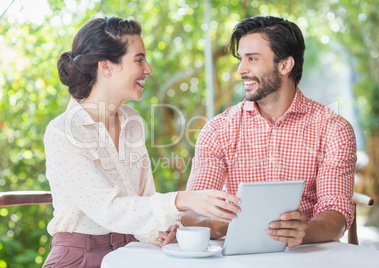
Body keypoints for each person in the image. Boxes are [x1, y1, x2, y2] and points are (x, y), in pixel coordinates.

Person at [43, 17, 240, 267]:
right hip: (79, 257)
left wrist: (162, 230)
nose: (148, 69)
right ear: (106, 67)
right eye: (139, 59)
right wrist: (183, 199)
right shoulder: (62, 132)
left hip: (131, 252)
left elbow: (143, 197)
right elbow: (108, 209)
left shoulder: (131, 120)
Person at [183, 16, 357, 248]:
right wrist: (225, 223)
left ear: (285, 65)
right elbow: (190, 213)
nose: (241, 70)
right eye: (241, 60)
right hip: (238, 258)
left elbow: (337, 213)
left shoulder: (334, 129)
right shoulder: (217, 130)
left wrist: (305, 232)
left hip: (307, 256)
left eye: (252, 59)